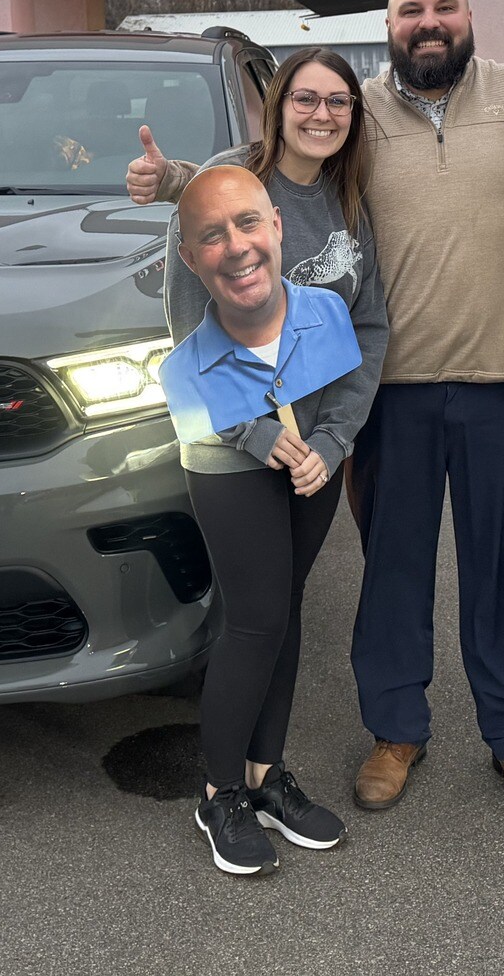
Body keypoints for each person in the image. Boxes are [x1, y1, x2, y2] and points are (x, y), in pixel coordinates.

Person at [132, 0, 504, 823]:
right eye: (412, 11)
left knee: (502, 572)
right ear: (392, 25)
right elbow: (258, 178)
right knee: (392, 574)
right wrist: (179, 178)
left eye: (445, 8)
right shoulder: (362, 112)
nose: (429, 23)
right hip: (390, 399)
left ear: (471, 17)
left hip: (499, 385)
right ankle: (395, 729)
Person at [160, 50, 388, 878]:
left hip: (314, 458)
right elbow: (188, 329)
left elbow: (369, 335)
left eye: (338, 101)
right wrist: (258, 434)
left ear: (352, 116)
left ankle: (265, 776)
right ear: (277, 104)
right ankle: (218, 791)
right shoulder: (225, 185)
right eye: (305, 97)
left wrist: (331, 444)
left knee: (284, 612)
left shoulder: (348, 205)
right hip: (232, 450)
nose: (321, 113)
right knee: (254, 619)